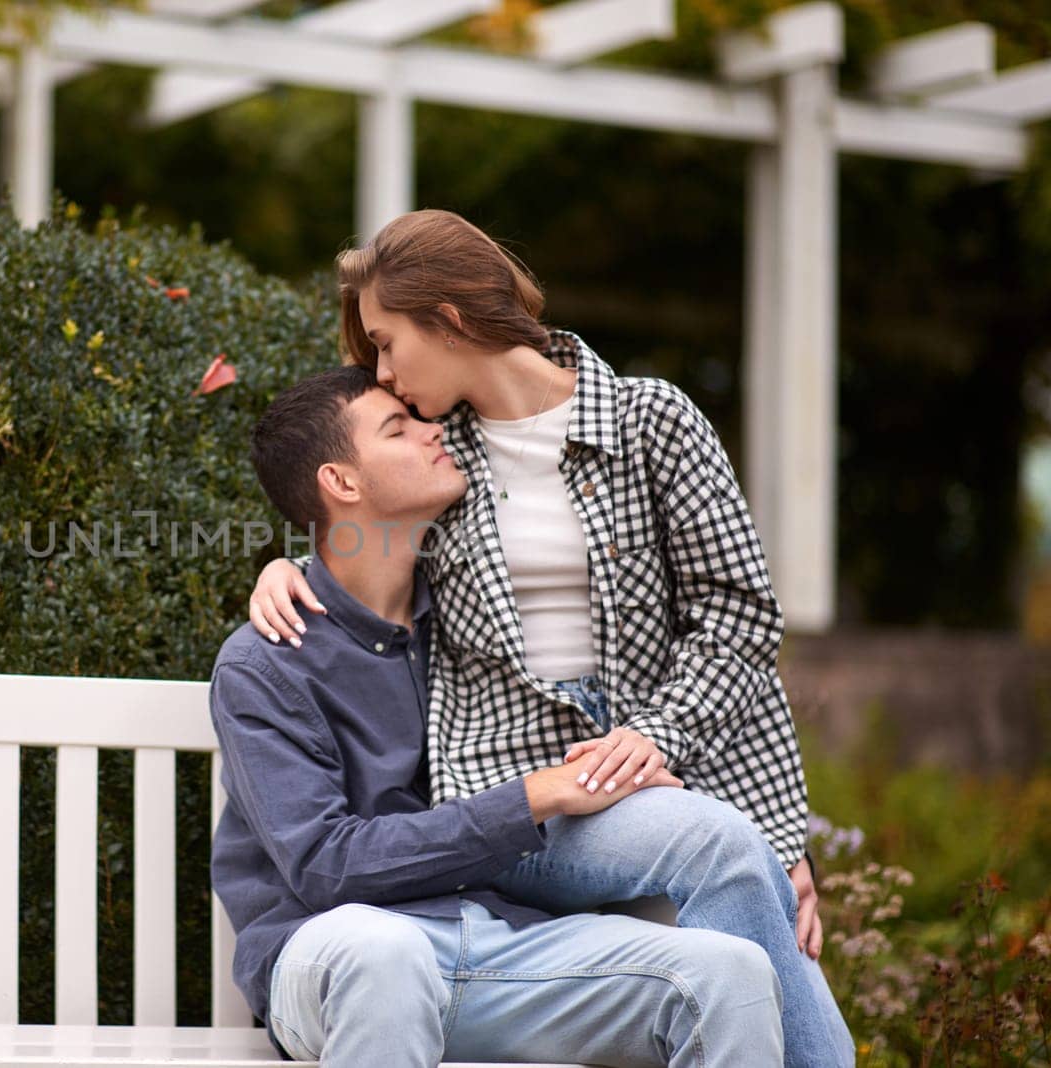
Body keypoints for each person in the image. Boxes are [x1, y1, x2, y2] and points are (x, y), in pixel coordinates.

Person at [245, 210, 854, 1065]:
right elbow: (351, 516)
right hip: (518, 796)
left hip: (664, 777)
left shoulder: (654, 422)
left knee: (726, 856)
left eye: (386, 344)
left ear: (449, 319)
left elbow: (738, 619)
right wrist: (281, 568)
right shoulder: (438, 453)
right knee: (718, 844)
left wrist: (775, 834)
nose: (381, 373)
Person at [212, 365, 785, 1066]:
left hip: (498, 947)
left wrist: (786, 853)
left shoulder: (468, 619)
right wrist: (539, 795)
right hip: (337, 950)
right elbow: (326, 867)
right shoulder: (267, 661)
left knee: (729, 974)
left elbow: (710, 650)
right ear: (343, 483)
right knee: (384, 952)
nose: (434, 430)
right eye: (399, 427)